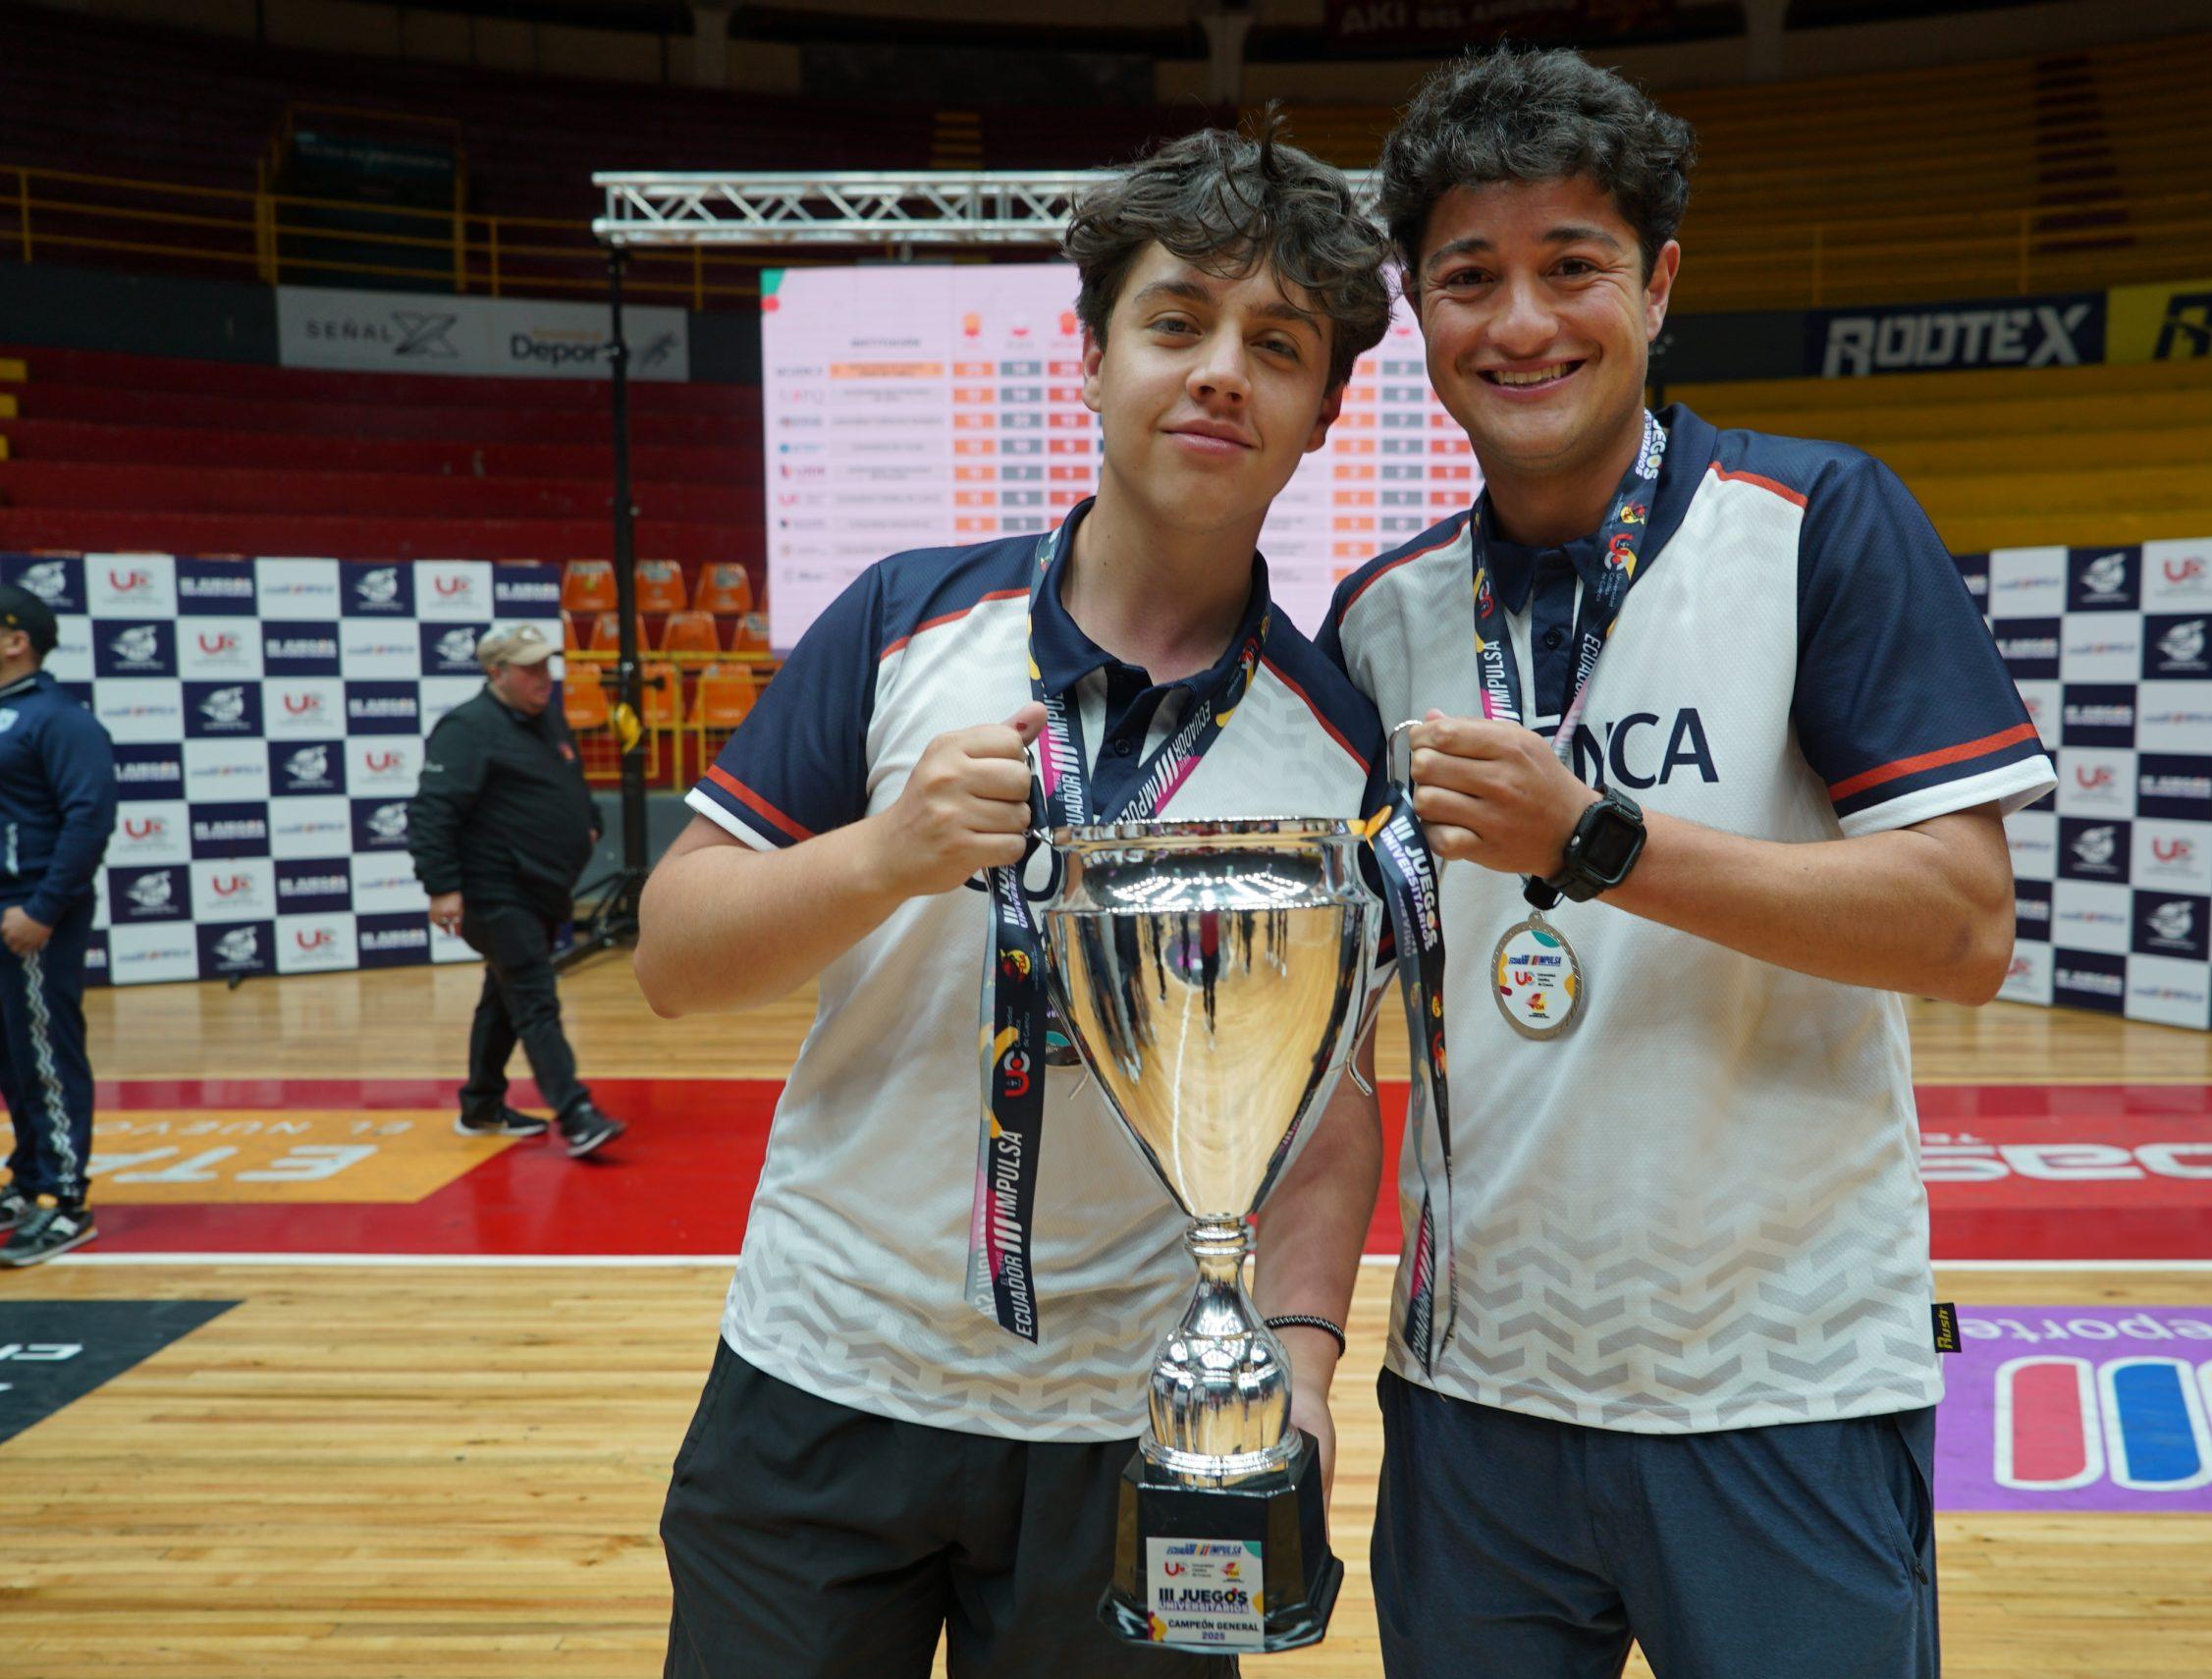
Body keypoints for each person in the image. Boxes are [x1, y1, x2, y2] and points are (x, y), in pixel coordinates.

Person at [1314, 48, 2059, 1679]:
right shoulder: (1380, 619)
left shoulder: (1817, 522)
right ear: (1419, 311)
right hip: (1472, 1398)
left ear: (1657, 286)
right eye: (1469, 277)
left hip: (1778, 1390)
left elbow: (1962, 924)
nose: (1522, 322)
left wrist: (1599, 840)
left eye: (1571, 265)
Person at [633, 120, 1393, 1678]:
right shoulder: (903, 620)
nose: (1221, 372)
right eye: (1176, 322)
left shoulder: (1336, 742)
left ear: (1324, 412)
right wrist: (887, 853)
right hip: (823, 1377)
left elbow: (1327, 1107)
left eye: (1278, 345)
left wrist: (1304, 1370)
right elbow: (673, 956)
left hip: (1140, 1421)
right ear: (1093, 358)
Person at [409, 623, 623, 1158]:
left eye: (545, 665)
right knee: (533, 996)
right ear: (496, 672)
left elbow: (569, 779)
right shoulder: (467, 728)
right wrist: (442, 887)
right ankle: (576, 1115)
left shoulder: (546, 715)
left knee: (502, 998)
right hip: (494, 890)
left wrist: (589, 821)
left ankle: (481, 1104)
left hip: (540, 888)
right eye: (529, 668)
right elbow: (432, 812)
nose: (543, 677)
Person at [0, 582, 116, 1268]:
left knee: (45, 1054)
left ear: (17, 642)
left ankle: (67, 1199)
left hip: (33, 912)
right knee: (12, 1057)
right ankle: (28, 1179)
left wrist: (43, 908)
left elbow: (89, 817)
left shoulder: (59, 719)